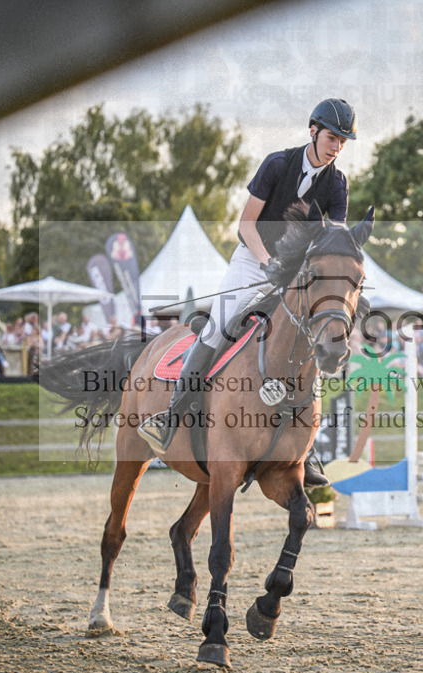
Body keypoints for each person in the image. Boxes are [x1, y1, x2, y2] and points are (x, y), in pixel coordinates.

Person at [137, 98, 358, 489]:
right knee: (217, 326)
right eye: (331, 136)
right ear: (313, 131)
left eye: (342, 141)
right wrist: (266, 262)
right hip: (252, 259)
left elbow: (331, 240)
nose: (336, 146)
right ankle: (170, 417)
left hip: (297, 273)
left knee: (307, 342)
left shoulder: (337, 184)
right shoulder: (277, 164)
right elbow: (246, 224)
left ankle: (304, 451)